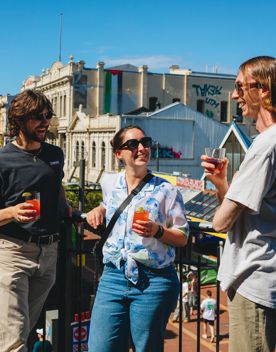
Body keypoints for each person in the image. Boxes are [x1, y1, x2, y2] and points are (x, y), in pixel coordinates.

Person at [86, 125, 189, 352]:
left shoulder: (167, 190)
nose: (142, 148)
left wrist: (158, 231)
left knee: (146, 348)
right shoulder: (109, 183)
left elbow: (182, 237)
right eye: (133, 144)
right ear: (119, 154)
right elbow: (110, 204)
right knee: (99, 347)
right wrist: (99, 210)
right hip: (113, 276)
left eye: (146, 142)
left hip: (152, 281)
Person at [201, 56, 276, 352]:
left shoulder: (265, 146)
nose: (234, 95)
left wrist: (223, 201)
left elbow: (221, 221)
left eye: (240, 87)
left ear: (264, 90)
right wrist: (222, 184)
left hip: (254, 279)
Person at [0, 90, 70, 351]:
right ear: (18, 120)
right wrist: (12, 212)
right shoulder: (3, 160)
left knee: (22, 329)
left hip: (49, 253)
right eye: (36, 117)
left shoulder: (55, 154)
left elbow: (56, 185)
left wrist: (68, 209)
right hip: (13, 253)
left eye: (47, 116)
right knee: (14, 340)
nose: (44, 122)